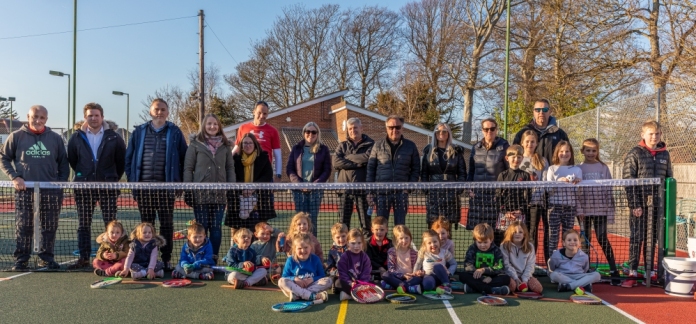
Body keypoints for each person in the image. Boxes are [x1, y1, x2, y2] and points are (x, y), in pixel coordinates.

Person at [0, 105, 69, 271]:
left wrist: (59, 184)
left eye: (42, 118)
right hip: (25, 191)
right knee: (24, 226)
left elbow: (63, 163)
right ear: (28, 117)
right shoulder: (16, 136)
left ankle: (46, 259)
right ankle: (21, 260)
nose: (38, 120)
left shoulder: (55, 138)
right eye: (35, 117)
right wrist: (15, 177)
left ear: (46, 119)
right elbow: (3, 158)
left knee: (49, 226)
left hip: (50, 192)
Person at [125, 98, 187, 270]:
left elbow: (184, 158)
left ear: (167, 112)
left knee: (166, 224)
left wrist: (178, 183)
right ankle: (145, 259)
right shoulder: (139, 132)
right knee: (146, 226)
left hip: (166, 189)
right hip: (144, 189)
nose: (159, 112)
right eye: (156, 109)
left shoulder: (174, 131)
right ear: (151, 112)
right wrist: (133, 181)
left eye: (163, 110)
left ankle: (165, 259)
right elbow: (128, 158)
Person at [67, 103, 127, 269]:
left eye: (96, 115)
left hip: (108, 187)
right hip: (83, 188)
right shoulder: (76, 137)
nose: (93, 118)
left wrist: (111, 177)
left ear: (102, 117)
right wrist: (83, 175)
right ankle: (83, 258)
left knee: (111, 224)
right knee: (83, 224)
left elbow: (120, 162)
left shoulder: (114, 137)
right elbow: (73, 160)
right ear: (85, 117)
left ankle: (112, 256)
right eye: (89, 115)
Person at [621, 120, 672, 288]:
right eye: (651, 134)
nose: (654, 137)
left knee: (652, 239)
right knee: (637, 238)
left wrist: (666, 204)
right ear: (643, 135)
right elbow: (629, 180)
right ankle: (633, 272)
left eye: (657, 134)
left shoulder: (665, 154)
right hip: (639, 206)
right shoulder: (635, 153)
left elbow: (669, 179)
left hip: (658, 206)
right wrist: (635, 204)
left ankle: (650, 272)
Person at [183, 113, 235, 262]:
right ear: (204, 126)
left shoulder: (225, 146)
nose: (212, 127)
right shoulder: (195, 145)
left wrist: (230, 188)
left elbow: (230, 168)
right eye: (209, 124)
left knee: (216, 229)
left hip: (219, 195)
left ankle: (213, 258)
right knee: (202, 227)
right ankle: (200, 257)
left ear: (219, 126)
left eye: (215, 124)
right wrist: (188, 189)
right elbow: (188, 168)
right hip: (200, 194)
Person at [578, 138, 619, 286]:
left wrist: (609, 210)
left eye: (593, 150)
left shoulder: (603, 168)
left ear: (597, 151)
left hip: (600, 210)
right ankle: (585, 271)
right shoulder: (578, 168)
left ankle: (614, 271)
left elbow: (609, 190)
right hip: (584, 212)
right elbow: (576, 192)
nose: (590, 153)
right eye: (587, 150)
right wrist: (579, 209)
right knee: (585, 241)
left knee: (602, 238)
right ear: (582, 151)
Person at [366, 115, 420, 226]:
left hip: (401, 194)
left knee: (400, 227)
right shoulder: (377, 145)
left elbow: (416, 169)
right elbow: (371, 169)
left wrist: (409, 188)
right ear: (386, 128)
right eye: (391, 127)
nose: (394, 130)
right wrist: (369, 192)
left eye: (397, 127)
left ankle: (398, 244)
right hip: (381, 193)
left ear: (402, 128)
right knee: (380, 226)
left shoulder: (411, 146)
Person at [225, 133, 276, 240]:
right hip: (238, 202)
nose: (247, 145)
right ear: (241, 145)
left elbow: (267, 176)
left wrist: (253, 188)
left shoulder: (263, 157)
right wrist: (242, 189)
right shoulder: (234, 159)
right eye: (245, 143)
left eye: (250, 143)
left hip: (259, 202)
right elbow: (231, 176)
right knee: (239, 234)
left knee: (258, 233)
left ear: (255, 144)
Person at [466, 118, 509, 244]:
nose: (489, 131)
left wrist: (502, 194)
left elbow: (508, 173)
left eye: (492, 129)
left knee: (495, 233)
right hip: (478, 197)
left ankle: (496, 261)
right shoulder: (475, 148)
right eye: (486, 129)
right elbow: (471, 172)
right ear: (482, 130)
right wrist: (470, 190)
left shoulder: (504, 146)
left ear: (496, 130)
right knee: (478, 233)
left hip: (495, 198)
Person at [286, 122, 332, 236]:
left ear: (317, 134)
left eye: (313, 132)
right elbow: (290, 169)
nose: (310, 134)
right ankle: (299, 246)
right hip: (298, 191)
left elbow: (327, 170)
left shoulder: (324, 149)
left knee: (312, 221)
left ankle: (312, 249)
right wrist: (299, 184)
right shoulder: (296, 148)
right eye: (308, 131)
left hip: (315, 191)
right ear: (304, 133)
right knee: (300, 221)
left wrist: (314, 185)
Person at [334, 117, 374, 235]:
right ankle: (343, 250)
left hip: (363, 191)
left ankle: (367, 251)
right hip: (345, 190)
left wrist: (348, 158)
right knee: (343, 224)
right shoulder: (342, 145)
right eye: (350, 129)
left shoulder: (371, 144)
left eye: (355, 128)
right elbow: (336, 162)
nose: (353, 130)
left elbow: (369, 159)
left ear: (361, 128)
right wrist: (359, 164)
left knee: (366, 224)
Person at [421, 123, 466, 227]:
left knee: (447, 229)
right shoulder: (428, 151)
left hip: (451, 194)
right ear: (435, 134)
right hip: (434, 194)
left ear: (448, 133)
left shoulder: (456, 152)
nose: (441, 133)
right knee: (433, 227)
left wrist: (458, 189)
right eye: (438, 131)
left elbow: (462, 172)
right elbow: (424, 173)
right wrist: (426, 189)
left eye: (444, 131)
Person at [545, 141, 583, 260]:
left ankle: (567, 261)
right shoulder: (551, 169)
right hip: (554, 207)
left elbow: (579, 192)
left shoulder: (577, 170)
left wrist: (577, 184)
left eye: (567, 151)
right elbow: (549, 190)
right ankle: (552, 263)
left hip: (570, 208)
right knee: (553, 237)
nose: (564, 154)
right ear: (557, 153)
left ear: (571, 153)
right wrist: (559, 182)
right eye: (561, 151)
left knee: (568, 237)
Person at [518, 130, 550, 263]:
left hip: (536, 203)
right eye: (527, 141)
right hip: (519, 203)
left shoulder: (542, 160)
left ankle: (531, 261)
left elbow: (546, 181)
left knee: (532, 232)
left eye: (532, 142)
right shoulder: (517, 158)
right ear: (522, 143)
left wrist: (536, 197)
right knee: (519, 232)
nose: (530, 144)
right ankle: (518, 260)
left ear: (536, 143)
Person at [232, 101, 282, 180]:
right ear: (254, 112)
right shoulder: (243, 128)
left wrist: (278, 174)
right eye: (259, 113)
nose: (262, 116)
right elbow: (236, 148)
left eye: (265, 114)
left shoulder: (273, 131)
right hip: (245, 170)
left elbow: (277, 155)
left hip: (264, 171)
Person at [512, 99, 570, 164]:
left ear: (550, 111)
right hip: (528, 173)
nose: (541, 112)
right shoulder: (522, 133)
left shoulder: (560, 134)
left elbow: (568, 156)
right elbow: (514, 155)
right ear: (533, 112)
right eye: (538, 110)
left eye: (545, 110)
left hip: (554, 173)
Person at [460, 223, 511, 295]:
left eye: (485, 242)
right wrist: (482, 278)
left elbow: (500, 267)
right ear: (475, 240)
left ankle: (473, 288)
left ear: (491, 239)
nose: (482, 245)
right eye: (479, 242)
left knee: (506, 278)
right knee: (463, 276)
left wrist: (485, 271)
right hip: (477, 277)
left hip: (491, 278)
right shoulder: (472, 249)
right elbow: (468, 266)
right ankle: (492, 290)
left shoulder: (496, 250)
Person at [279, 233, 331, 303]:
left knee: (328, 280)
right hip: (295, 286)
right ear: (294, 249)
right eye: (299, 248)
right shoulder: (290, 260)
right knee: (281, 281)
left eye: (306, 247)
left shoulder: (316, 259)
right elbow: (284, 276)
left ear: (311, 247)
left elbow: (322, 275)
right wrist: (295, 279)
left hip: (311, 286)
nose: (303, 251)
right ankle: (312, 296)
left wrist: (312, 279)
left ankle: (298, 296)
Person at [549, 229, 600, 294]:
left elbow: (585, 269)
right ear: (564, 243)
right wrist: (581, 282)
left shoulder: (584, 256)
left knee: (597, 275)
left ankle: (569, 286)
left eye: (575, 240)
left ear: (579, 242)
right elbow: (553, 267)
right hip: (563, 275)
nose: (572, 242)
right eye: (569, 240)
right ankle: (582, 284)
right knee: (553, 275)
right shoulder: (556, 255)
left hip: (579, 275)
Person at [496, 145, 532, 234]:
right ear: (507, 158)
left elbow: (528, 196)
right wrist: (505, 211)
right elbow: (498, 196)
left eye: (519, 157)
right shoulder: (502, 175)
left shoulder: (525, 175)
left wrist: (520, 210)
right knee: (502, 237)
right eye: (513, 157)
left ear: (522, 158)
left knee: (518, 236)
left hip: (519, 214)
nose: (516, 159)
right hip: (505, 214)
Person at [500, 221, 543, 294]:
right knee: (512, 287)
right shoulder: (504, 246)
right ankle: (514, 285)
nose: (517, 234)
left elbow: (530, 265)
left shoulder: (530, 247)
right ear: (510, 233)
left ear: (524, 234)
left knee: (538, 289)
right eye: (514, 232)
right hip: (511, 275)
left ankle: (523, 285)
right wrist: (515, 278)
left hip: (524, 276)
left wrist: (525, 280)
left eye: (520, 232)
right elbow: (506, 265)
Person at [413, 229, 456, 294]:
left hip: (442, 277)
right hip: (428, 275)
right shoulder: (423, 252)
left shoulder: (444, 252)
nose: (433, 244)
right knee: (427, 285)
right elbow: (418, 263)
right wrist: (415, 272)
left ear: (439, 241)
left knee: (437, 266)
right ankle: (435, 286)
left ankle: (447, 285)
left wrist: (449, 272)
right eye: (429, 243)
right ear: (425, 245)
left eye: (435, 241)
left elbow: (454, 263)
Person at [382, 225, 421, 294]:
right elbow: (391, 269)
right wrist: (402, 275)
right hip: (397, 277)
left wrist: (414, 273)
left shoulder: (414, 253)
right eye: (401, 238)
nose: (404, 241)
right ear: (396, 239)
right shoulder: (392, 251)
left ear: (410, 238)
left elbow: (416, 268)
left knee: (419, 279)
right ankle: (408, 288)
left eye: (406, 238)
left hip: (409, 278)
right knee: (385, 275)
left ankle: (396, 286)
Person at [337, 229, 372, 301]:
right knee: (338, 283)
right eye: (353, 243)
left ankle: (350, 295)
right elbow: (342, 272)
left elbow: (366, 273)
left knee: (376, 284)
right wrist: (350, 283)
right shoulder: (345, 256)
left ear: (363, 243)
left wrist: (361, 283)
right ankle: (358, 294)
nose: (356, 246)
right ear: (348, 243)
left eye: (359, 243)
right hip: (349, 284)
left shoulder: (365, 257)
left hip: (360, 284)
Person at [366, 216, 393, 281]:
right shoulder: (367, 243)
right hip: (371, 271)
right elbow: (368, 260)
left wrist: (384, 269)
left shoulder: (390, 244)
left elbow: (391, 259)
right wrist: (379, 267)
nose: (379, 232)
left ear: (386, 230)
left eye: (382, 230)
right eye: (376, 230)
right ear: (372, 230)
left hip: (386, 271)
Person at [326, 223, 348, 293]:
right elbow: (330, 266)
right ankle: (336, 286)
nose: (341, 239)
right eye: (338, 237)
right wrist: (336, 272)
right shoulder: (332, 250)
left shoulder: (351, 247)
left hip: (350, 273)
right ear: (333, 238)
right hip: (338, 274)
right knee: (331, 280)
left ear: (348, 235)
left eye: (343, 236)